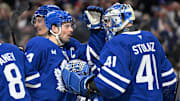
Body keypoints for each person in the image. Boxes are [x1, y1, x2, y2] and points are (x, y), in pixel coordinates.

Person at [61, 3, 177, 101]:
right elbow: (169, 81)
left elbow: (111, 86)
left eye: (108, 22)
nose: (106, 26)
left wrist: (86, 84)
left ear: (117, 20)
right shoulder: (150, 37)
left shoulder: (118, 42)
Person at [25, 6, 106, 101]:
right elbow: (26, 77)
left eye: (40, 21)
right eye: (36, 21)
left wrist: (96, 30)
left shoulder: (72, 44)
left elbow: (94, 55)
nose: (36, 25)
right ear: (54, 27)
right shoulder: (38, 44)